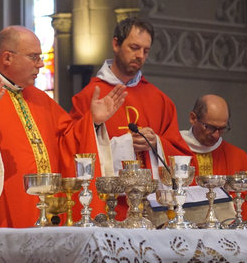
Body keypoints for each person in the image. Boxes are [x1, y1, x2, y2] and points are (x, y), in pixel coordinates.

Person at [0, 25, 126, 232]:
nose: (41, 64)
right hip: (1, 214)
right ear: (7, 58)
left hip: (49, 216)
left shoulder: (41, 99)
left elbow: (67, 141)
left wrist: (92, 121)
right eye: (34, 57)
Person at [70, 19, 193, 178]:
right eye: (134, 48)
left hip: (151, 199)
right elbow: (72, 150)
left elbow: (180, 154)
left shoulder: (160, 100)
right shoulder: (89, 96)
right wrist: (96, 126)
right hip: (108, 199)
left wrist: (156, 143)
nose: (140, 55)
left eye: (146, 51)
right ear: (116, 45)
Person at [181, 94, 247, 220]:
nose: (216, 135)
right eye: (210, 127)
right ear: (193, 118)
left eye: (222, 129)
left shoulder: (237, 156)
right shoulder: (172, 150)